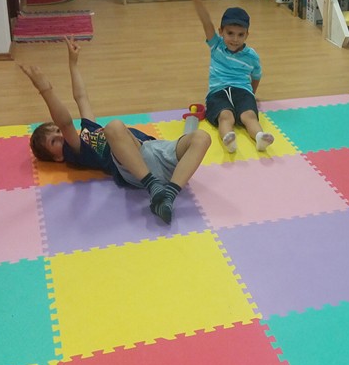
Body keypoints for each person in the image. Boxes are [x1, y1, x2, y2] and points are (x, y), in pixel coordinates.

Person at [20, 37, 210, 224]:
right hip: (137, 168)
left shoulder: (88, 129)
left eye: (55, 131)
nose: (59, 135)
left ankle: (168, 195)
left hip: (156, 150)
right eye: (54, 141)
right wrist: (45, 89)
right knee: (114, 127)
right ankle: (153, 187)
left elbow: (81, 97)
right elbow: (65, 123)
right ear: (57, 157)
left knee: (202, 137)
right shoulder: (76, 150)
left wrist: (73, 63)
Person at [189, 0, 274, 153]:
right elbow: (206, 22)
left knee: (249, 115)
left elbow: (256, 76)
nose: (235, 39)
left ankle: (260, 137)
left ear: (247, 34)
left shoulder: (251, 56)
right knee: (225, 117)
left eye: (240, 34)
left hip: (242, 90)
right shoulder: (216, 45)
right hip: (217, 92)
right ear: (221, 32)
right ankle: (228, 139)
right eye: (230, 33)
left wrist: (251, 94)